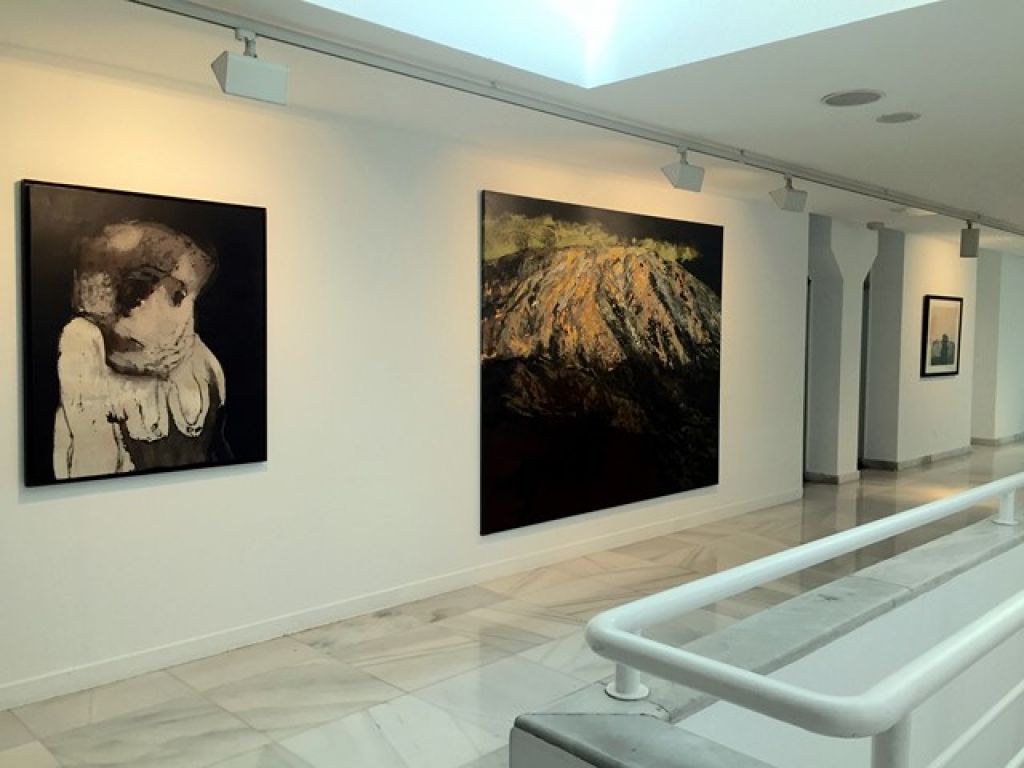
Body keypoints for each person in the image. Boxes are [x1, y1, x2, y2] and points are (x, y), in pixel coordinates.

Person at [52, 221, 229, 479]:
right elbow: (92, 473)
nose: (189, 314)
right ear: (133, 294)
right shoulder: (84, 348)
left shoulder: (201, 362)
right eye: (177, 296)